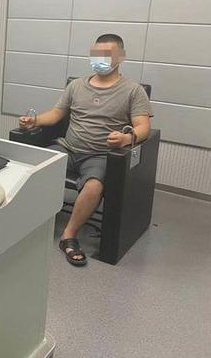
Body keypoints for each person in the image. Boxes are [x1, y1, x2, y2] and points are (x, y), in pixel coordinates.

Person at [19, 34, 152, 267]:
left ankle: (68, 235)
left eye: (107, 54)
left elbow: (144, 127)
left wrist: (126, 138)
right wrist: (35, 120)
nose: (101, 59)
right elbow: (56, 114)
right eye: (97, 54)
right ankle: (28, 223)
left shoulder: (133, 91)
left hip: (99, 155)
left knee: (94, 186)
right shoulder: (76, 85)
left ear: (121, 57)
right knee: (33, 167)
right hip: (68, 147)